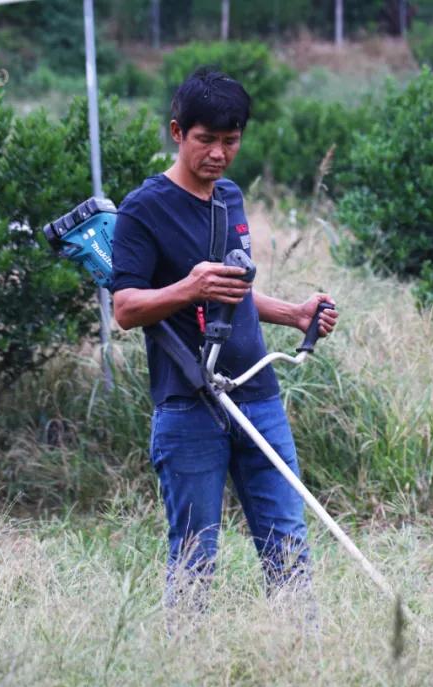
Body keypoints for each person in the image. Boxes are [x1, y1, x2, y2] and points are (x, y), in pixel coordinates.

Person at [110, 67, 338, 613]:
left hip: (257, 396)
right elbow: (125, 308)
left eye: (230, 141)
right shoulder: (144, 209)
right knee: (194, 559)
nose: (218, 153)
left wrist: (293, 312)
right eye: (205, 140)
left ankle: (304, 661)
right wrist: (187, 287)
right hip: (189, 405)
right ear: (177, 132)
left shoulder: (230, 198)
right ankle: (184, 673)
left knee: (288, 546)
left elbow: (231, 291)